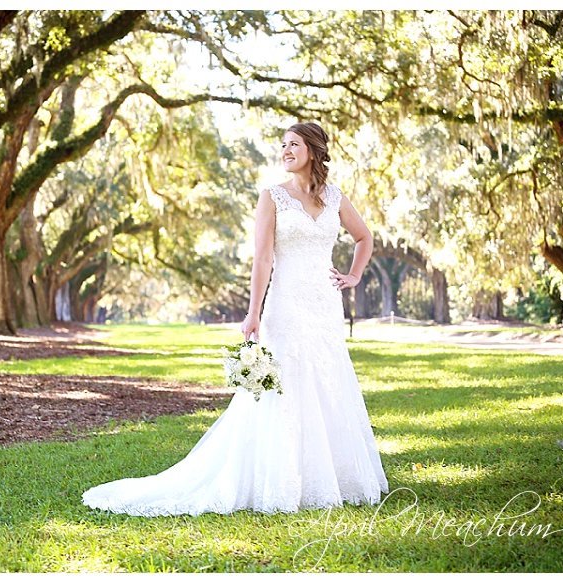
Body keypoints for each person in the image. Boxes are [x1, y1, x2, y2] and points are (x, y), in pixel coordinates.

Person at [82, 122, 388, 516]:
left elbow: (365, 237)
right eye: (282, 145)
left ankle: (331, 477)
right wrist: (253, 313)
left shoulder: (335, 198)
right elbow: (262, 259)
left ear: (313, 149)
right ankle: (280, 479)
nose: (285, 151)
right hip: (287, 304)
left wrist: (354, 275)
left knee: (328, 382)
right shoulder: (272, 198)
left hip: (325, 306)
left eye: (293, 144)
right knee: (284, 387)